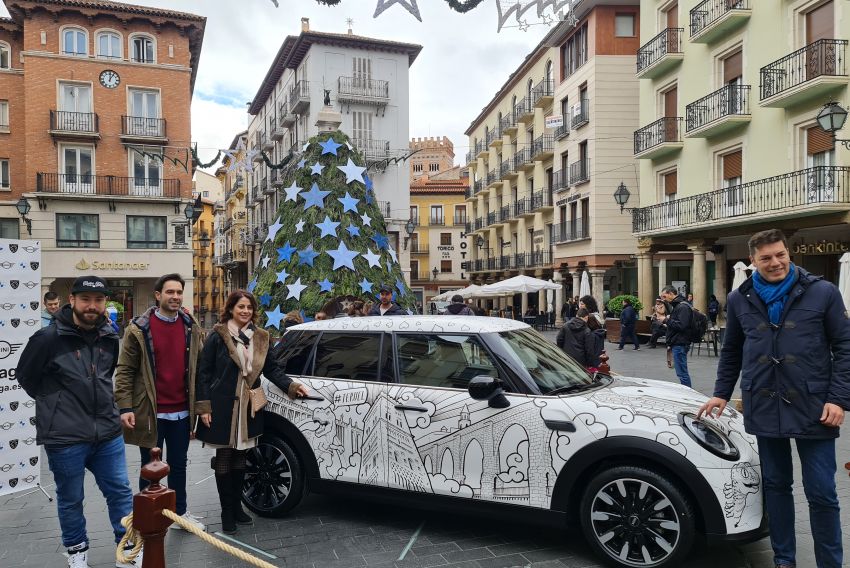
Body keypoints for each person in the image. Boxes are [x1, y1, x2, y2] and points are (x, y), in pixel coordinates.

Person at [698, 229, 850, 568]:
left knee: (822, 493)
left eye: (780, 254)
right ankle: (784, 560)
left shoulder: (823, 292)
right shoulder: (740, 298)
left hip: (816, 407)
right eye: (766, 257)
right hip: (765, 403)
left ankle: (830, 563)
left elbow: (845, 347)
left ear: (789, 253)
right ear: (753, 261)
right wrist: (722, 393)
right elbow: (732, 350)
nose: (775, 262)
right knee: (776, 487)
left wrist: (838, 399)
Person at [16, 276, 141, 568]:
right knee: (71, 498)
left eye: (98, 300)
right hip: (65, 436)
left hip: (107, 433)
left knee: (120, 492)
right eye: (85, 299)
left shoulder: (110, 335)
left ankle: (127, 548)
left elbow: (106, 375)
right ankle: (77, 551)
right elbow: (26, 377)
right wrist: (57, 403)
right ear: (72, 300)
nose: (92, 306)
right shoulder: (47, 339)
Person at [195, 290, 310, 534]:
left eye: (249, 307)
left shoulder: (260, 337)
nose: (245, 311)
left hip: (249, 408)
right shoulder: (218, 336)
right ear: (231, 309)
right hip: (223, 406)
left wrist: (291, 385)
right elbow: (203, 373)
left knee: (241, 458)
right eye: (240, 307)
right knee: (225, 457)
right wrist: (203, 407)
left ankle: (237, 507)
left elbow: (271, 369)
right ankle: (227, 512)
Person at [114, 274, 206, 532]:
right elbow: (124, 371)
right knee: (150, 467)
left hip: (181, 411)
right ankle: (149, 516)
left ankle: (180, 513)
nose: (175, 297)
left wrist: (202, 407)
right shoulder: (139, 329)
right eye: (170, 292)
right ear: (158, 295)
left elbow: (200, 370)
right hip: (150, 412)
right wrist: (125, 407)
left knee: (179, 464)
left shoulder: (190, 325)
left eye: (179, 292)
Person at [660, 284, 692, 387]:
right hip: (678, 342)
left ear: (671, 294)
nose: (663, 299)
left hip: (680, 343)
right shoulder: (678, 305)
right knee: (681, 372)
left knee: (682, 373)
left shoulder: (682, 306)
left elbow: (682, 325)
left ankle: (689, 394)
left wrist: (666, 320)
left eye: (664, 296)